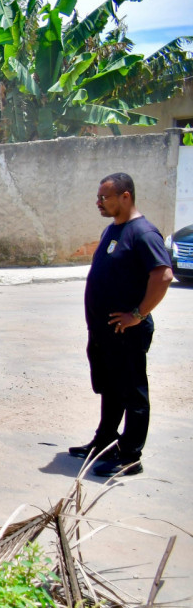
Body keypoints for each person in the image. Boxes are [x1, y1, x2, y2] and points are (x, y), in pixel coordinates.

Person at [69, 172, 173, 477]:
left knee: (133, 393)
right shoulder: (111, 230)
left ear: (125, 196)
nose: (98, 202)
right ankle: (104, 443)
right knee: (111, 390)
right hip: (104, 331)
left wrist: (138, 315)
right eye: (99, 197)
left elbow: (163, 275)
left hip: (127, 332)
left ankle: (130, 456)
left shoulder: (143, 232)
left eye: (105, 197)